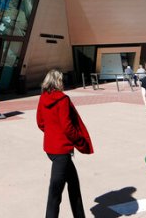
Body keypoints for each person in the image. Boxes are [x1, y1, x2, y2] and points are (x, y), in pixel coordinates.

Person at [36, 69, 93, 218]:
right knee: (55, 193)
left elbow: (40, 123)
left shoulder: (43, 98)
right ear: (58, 81)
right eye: (61, 80)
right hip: (62, 151)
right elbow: (68, 127)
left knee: (74, 185)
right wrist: (79, 141)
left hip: (51, 148)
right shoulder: (62, 100)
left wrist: (52, 134)